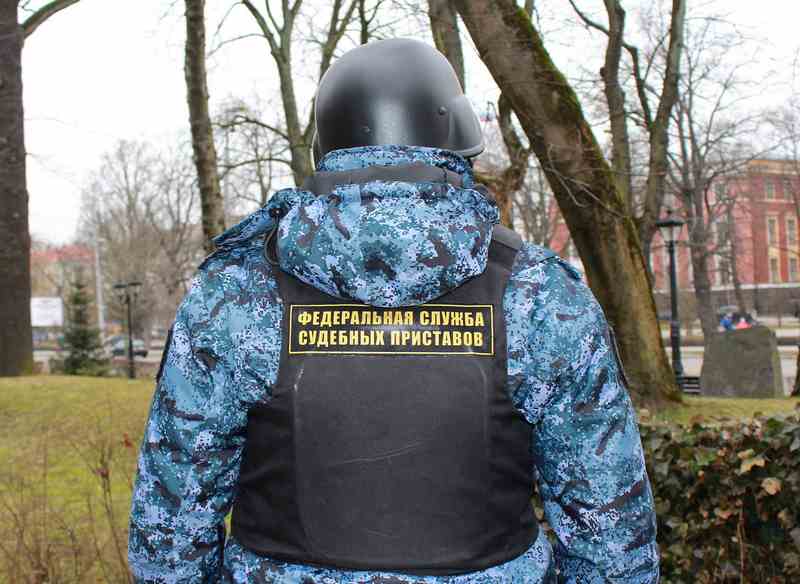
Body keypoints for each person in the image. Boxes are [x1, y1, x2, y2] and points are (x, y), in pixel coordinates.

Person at [128, 39, 658, 584]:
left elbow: (169, 539)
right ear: (456, 135)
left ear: (326, 144)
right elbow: (611, 538)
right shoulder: (539, 295)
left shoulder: (235, 295)